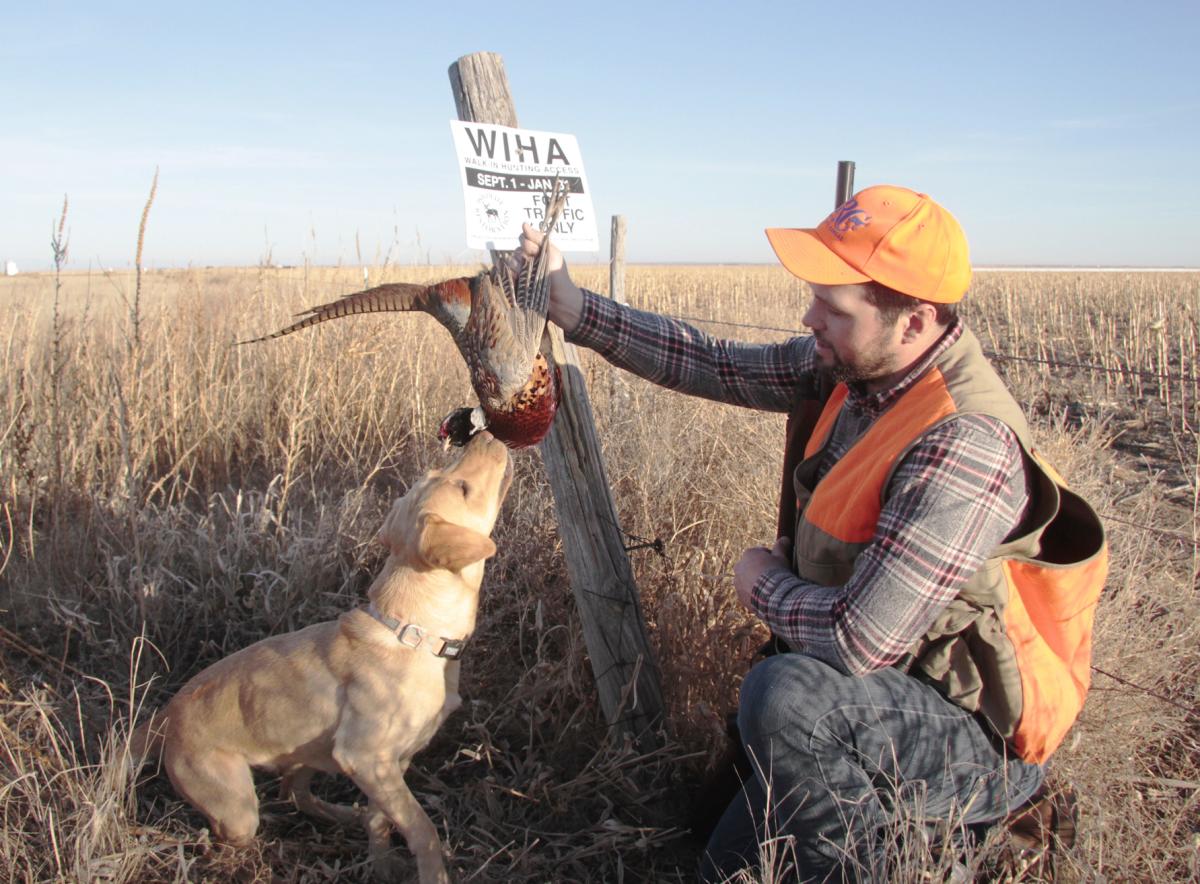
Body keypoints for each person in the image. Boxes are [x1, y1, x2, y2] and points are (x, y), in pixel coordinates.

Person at [517, 185, 1106, 881]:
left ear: (914, 322)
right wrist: (577, 310)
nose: (809, 318)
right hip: (862, 703)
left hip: (956, 736)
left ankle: (918, 846)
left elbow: (860, 640)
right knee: (721, 866)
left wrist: (763, 586)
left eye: (833, 307)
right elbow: (716, 362)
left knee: (785, 694)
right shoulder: (857, 370)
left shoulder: (963, 445)